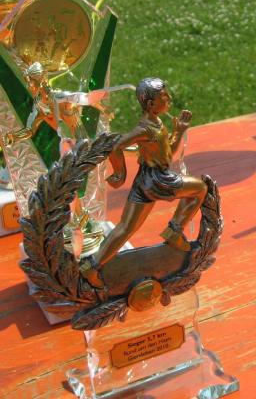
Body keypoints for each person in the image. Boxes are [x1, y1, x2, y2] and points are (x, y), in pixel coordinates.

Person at [80, 77, 207, 288]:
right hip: (157, 179)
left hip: (144, 181)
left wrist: (179, 131)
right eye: (164, 96)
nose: (169, 98)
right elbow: (117, 145)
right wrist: (120, 173)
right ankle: (175, 230)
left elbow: (167, 155)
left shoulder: (156, 125)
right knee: (200, 188)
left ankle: (92, 266)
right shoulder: (145, 129)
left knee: (126, 227)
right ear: (150, 103)